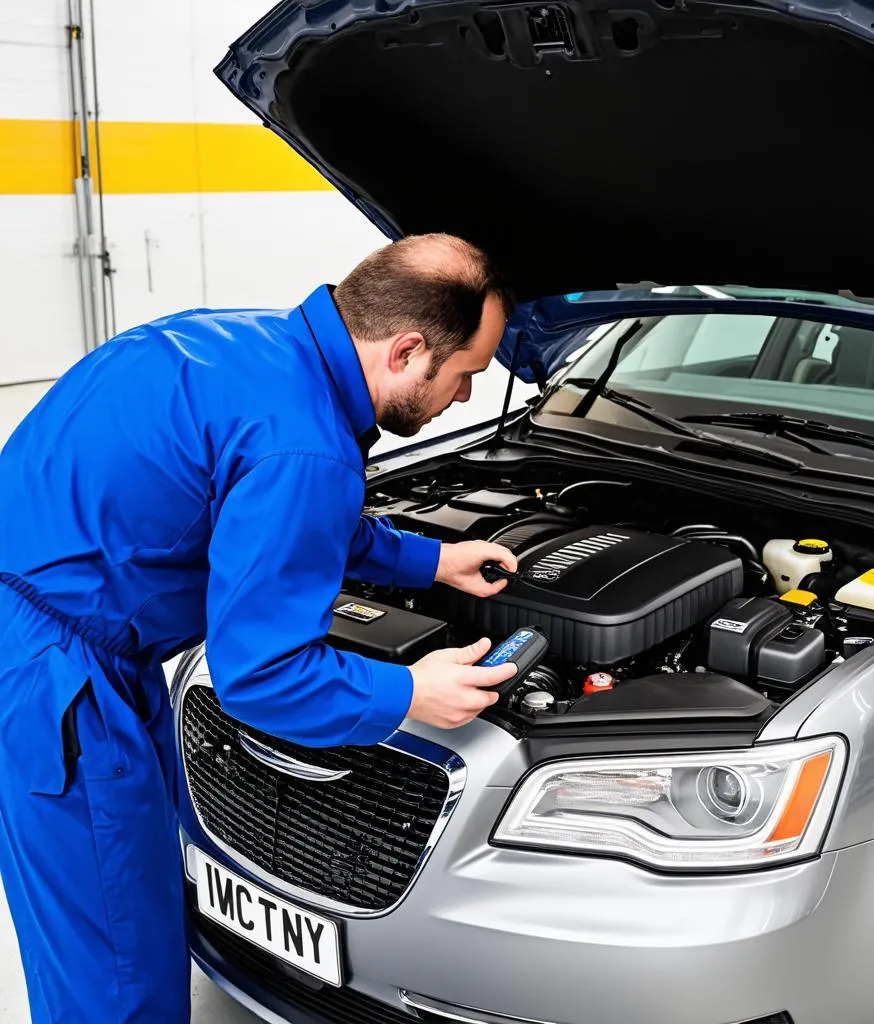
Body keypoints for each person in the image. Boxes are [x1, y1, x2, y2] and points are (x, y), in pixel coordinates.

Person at [0, 233, 521, 1023]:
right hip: (62, 684)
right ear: (409, 349)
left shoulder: (240, 342)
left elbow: (275, 514)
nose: (465, 400)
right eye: (464, 376)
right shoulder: (305, 444)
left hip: (37, 621)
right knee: (116, 975)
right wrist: (411, 688)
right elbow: (261, 678)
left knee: (92, 925)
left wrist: (432, 561)